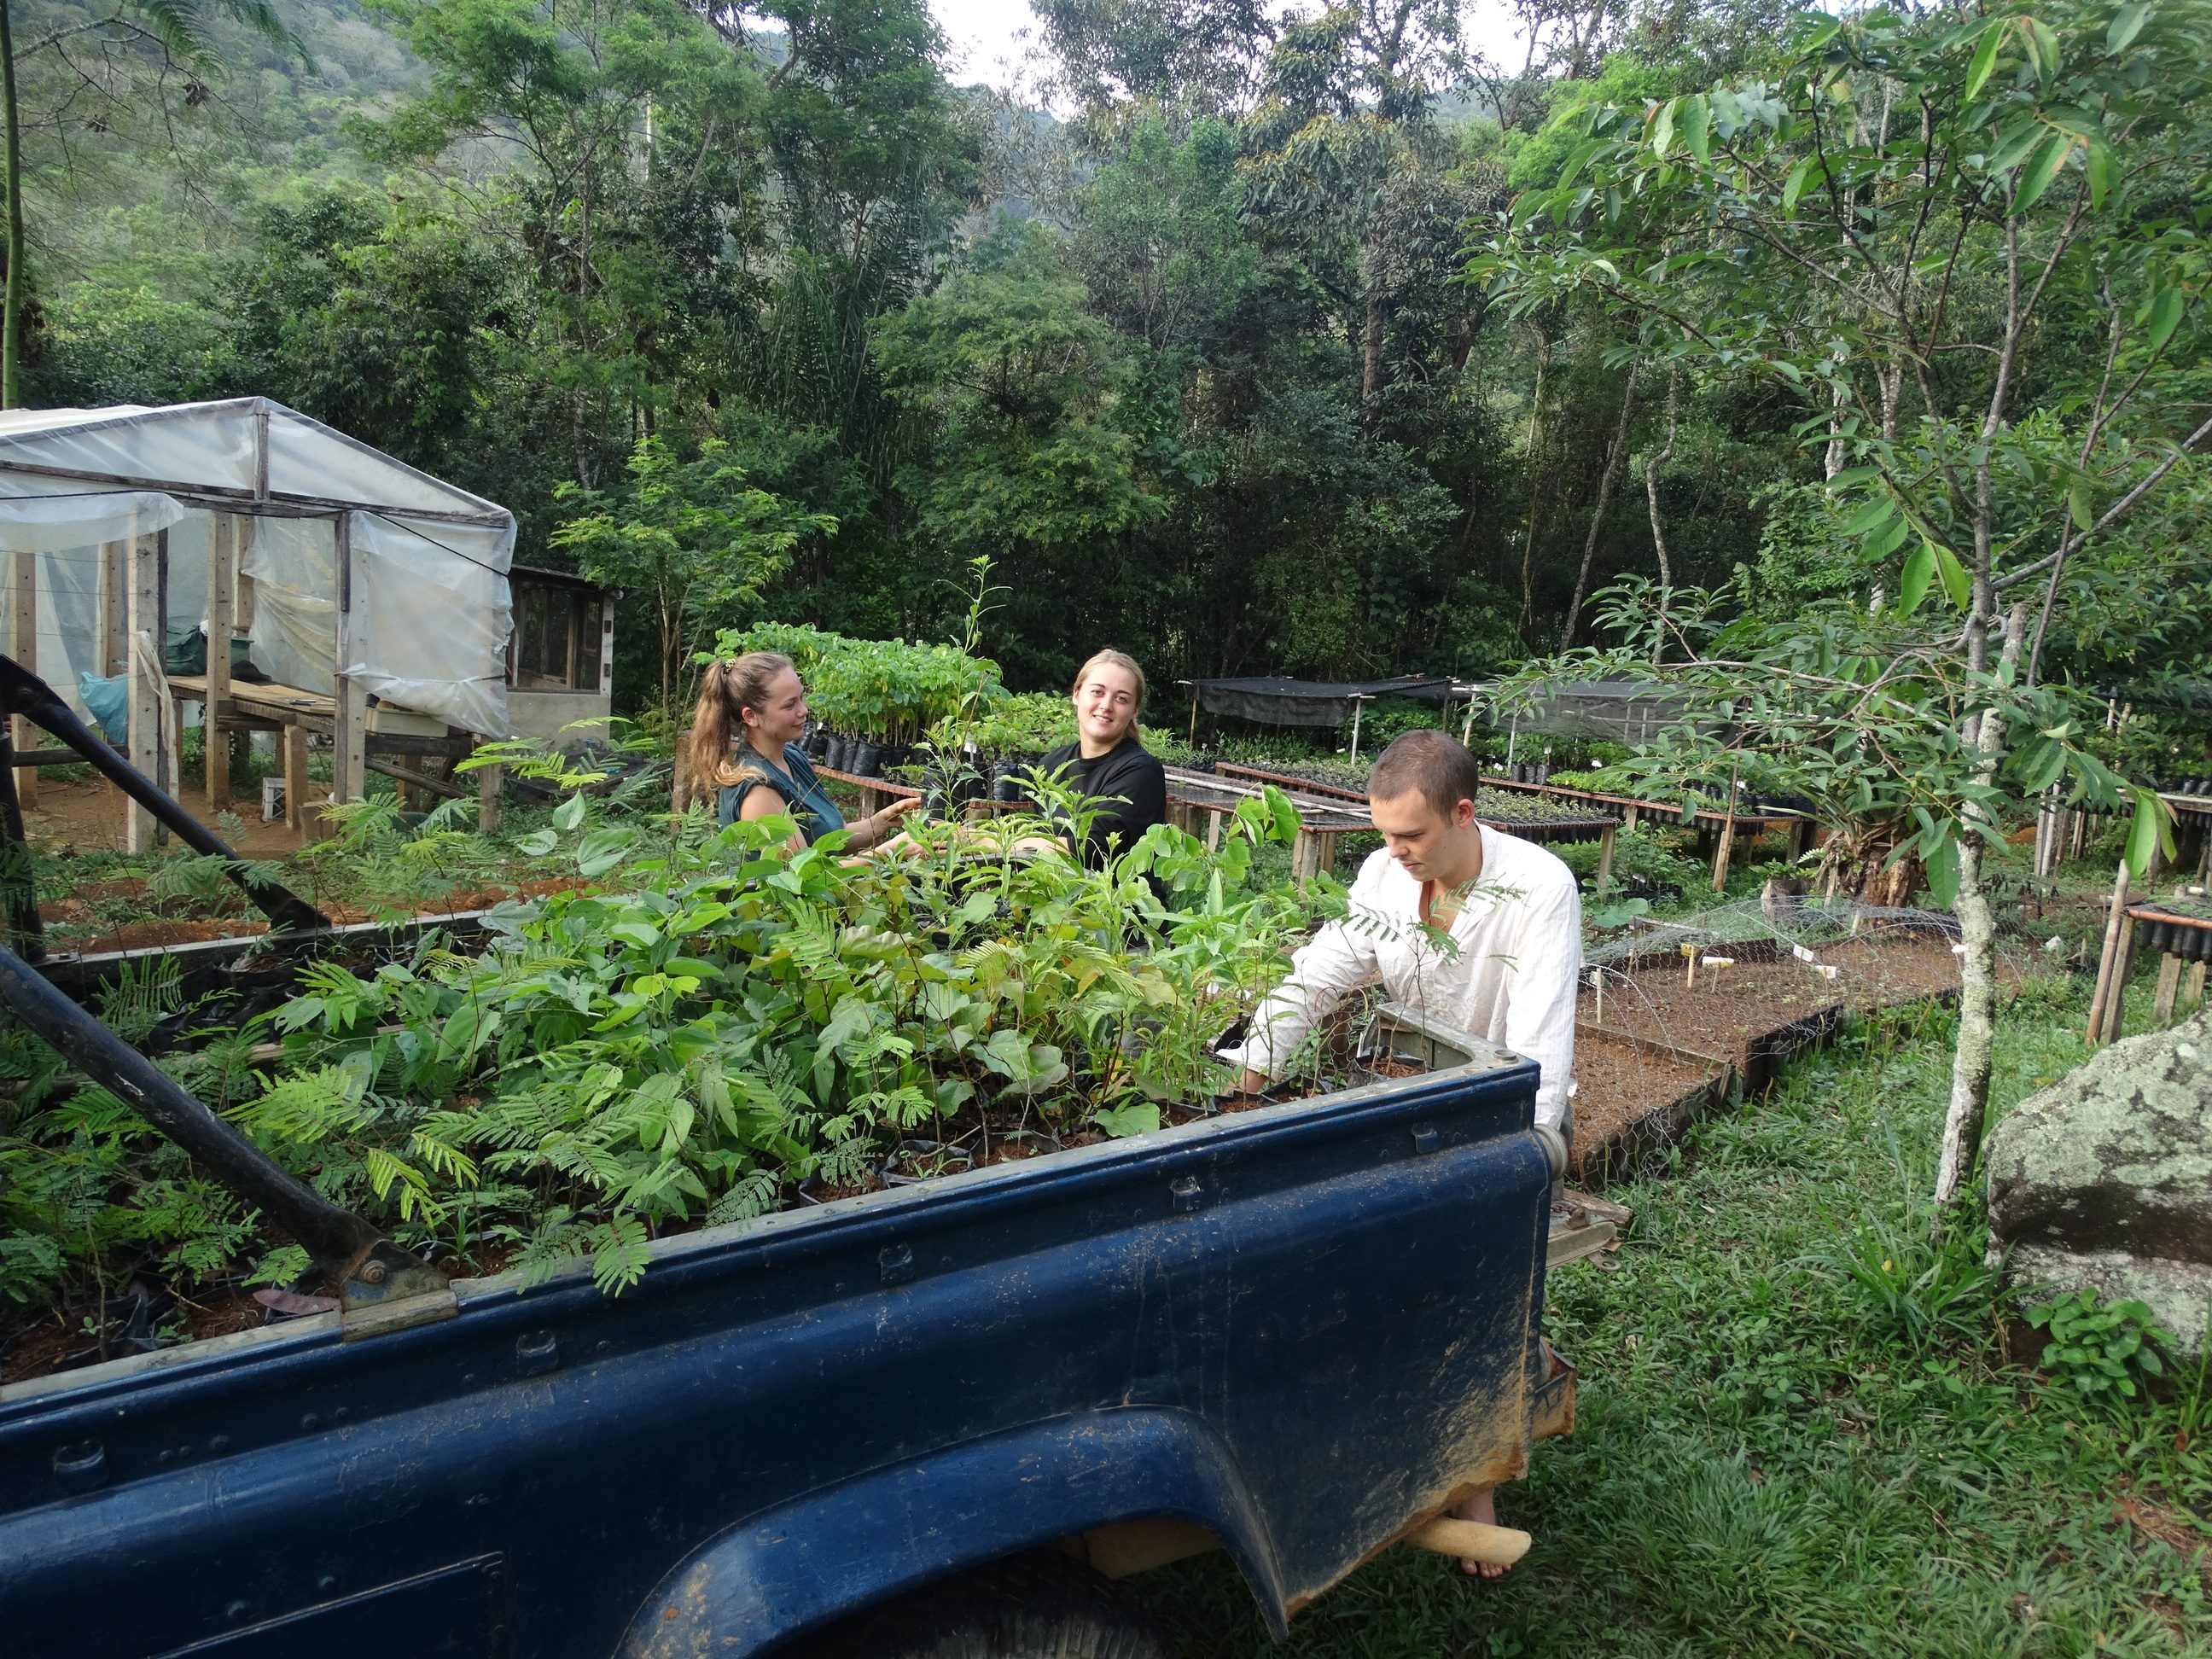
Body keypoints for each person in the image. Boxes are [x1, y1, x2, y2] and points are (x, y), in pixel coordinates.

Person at [1217, 726, 1580, 1580]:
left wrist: (1519, 1157)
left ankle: (1477, 1477)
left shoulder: (1537, 891)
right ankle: (1407, 1440)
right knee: (1400, 1284)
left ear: (1463, 814)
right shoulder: (1387, 876)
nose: (1394, 852)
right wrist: (1249, 1063)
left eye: (1410, 836)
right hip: (1410, 1101)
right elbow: (1324, 970)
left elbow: (1540, 1056)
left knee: (1485, 1293)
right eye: (1383, 834)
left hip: (1498, 1115)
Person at [691, 652, 915, 852]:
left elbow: (831, 839)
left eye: (801, 698)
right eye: (790, 705)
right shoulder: (757, 790)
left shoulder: (791, 757)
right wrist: (895, 850)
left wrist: (881, 821)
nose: (804, 710)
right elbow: (804, 878)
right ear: (751, 716)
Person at [1029, 649, 1167, 866]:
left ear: (1134, 710)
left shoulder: (1141, 772)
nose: (1106, 705)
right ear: (1076, 694)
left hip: (1115, 899)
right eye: (1097, 692)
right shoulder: (1051, 764)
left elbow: (1093, 850)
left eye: (1121, 699)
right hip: (1053, 895)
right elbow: (1039, 836)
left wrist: (996, 844)